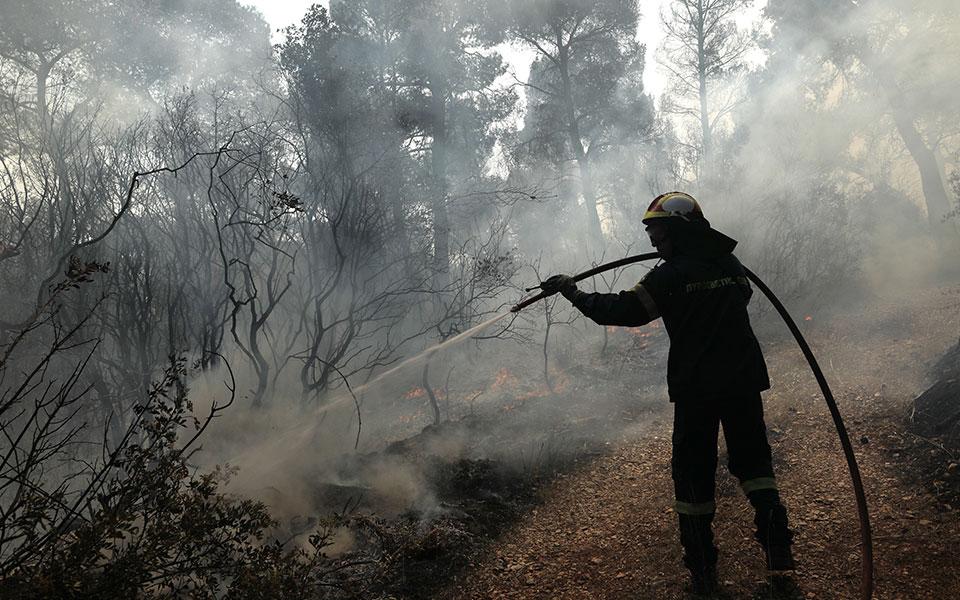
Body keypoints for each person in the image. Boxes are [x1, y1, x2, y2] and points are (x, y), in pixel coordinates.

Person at [542, 192, 794, 596]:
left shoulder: (669, 276)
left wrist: (574, 293)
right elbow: (741, 297)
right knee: (754, 462)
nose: (654, 243)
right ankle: (777, 549)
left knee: (692, 475)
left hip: (697, 387)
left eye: (659, 234)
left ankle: (701, 567)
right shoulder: (729, 263)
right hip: (743, 379)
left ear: (679, 229)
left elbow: (624, 311)